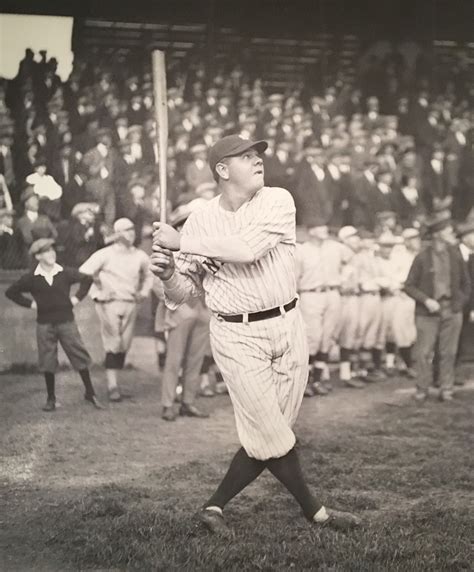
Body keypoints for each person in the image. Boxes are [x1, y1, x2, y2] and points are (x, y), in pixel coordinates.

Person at [151, 134, 361, 536]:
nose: (258, 161)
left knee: (268, 435)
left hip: (287, 325)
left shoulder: (278, 200)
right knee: (271, 434)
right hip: (236, 334)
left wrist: (181, 243)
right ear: (223, 170)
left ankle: (213, 507)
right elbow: (185, 292)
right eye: (246, 157)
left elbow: (247, 249)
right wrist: (168, 273)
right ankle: (317, 512)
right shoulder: (199, 219)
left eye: (258, 155)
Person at [5, 238, 103, 412]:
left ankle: (90, 392)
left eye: (52, 250)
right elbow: (11, 291)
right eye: (46, 252)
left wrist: (76, 298)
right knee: (47, 360)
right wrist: (31, 304)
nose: (51, 254)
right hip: (44, 325)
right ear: (38, 256)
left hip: (67, 322)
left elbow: (87, 279)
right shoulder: (32, 278)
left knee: (79, 355)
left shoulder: (64, 272)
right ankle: (51, 398)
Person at [79, 218, 153, 402]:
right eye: (126, 230)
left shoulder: (139, 255)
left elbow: (150, 273)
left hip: (130, 302)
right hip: (109, 303)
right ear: (117, 233)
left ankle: (115, 383)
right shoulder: (105, 254)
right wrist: (100, 285)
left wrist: (143, 292)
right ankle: (112, 387)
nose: (131, 233)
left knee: (124, 344)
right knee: (113, 342)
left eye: (132, 229)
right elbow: (84, 271)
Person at [405, 217, 471, 401]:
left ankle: (446, 389)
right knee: (424, 352)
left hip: (452, 309)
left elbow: (466, 284)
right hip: (427, 313)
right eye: (449, 231)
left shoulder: (455, 256)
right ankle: (422, 389)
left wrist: (459, 304)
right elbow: (409, 285)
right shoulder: (422, 258)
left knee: (448, 352)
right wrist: (426, 300)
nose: (452, 235)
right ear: (438, 235)